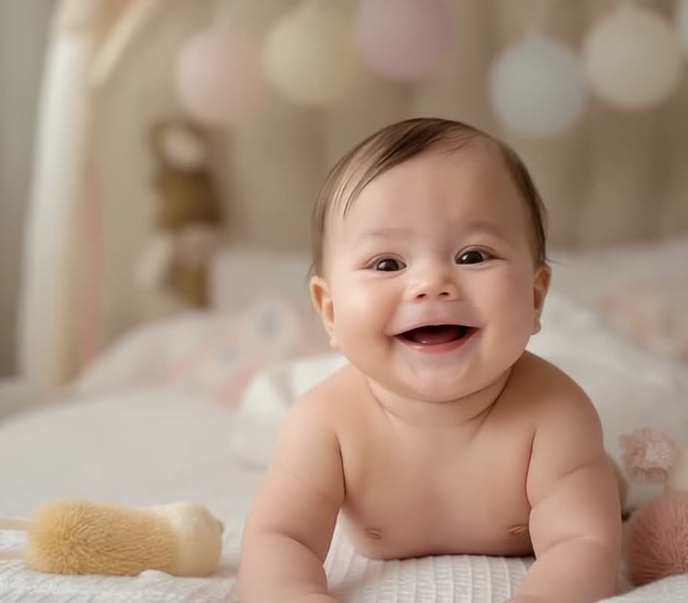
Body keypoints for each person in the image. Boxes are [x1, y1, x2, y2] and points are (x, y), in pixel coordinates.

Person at [238, 118, 622, 603]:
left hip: (579, 464)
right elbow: (279, 537)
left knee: (608, 484)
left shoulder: (556, 414)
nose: (432, 283)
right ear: (330, 312)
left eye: (473, 255)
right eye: (387, 264)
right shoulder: (324, 423)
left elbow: (583, 542)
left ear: (535, 298)